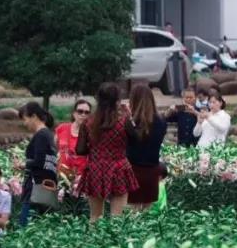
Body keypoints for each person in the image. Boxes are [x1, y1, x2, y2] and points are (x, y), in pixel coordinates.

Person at [76, 83, 138, 222]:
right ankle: (114, 243)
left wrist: (95, 149)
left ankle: (94, 243)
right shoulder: (124, 121)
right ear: (117, 100)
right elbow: (136, 140)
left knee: (95, 217)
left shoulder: (88, 123)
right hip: (119, 169)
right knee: (117, 218)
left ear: (98, 99)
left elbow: (80, 150)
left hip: (95, 169)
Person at [126, 84, 168, 211]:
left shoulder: (130, 122)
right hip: (152, 171)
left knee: (132, 214)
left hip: (132, 170)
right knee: (146, 214)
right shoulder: (161, 121)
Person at [17, 102, 59, 227]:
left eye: (25, 119)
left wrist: (23, 164)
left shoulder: (41, 135)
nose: (24, 124)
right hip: (45, 188)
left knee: (25, 227)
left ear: (34, 116)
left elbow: (39, 161)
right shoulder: (49, 135)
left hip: (35, 190)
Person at [56, 99, 92, 182]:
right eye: (80, 111)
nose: (83, 114)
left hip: (81, 178)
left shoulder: (91, 133)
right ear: (74, 113)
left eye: (87, 112)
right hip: (61, 176)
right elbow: (54, 149)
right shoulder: (62, 128)